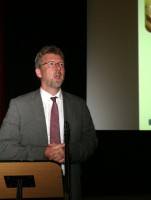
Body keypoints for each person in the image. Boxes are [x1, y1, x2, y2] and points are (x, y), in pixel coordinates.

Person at [0, 45, 98, 200]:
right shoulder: (19, 105)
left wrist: (69, 152)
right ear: (38, 72)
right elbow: (4, 148)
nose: (58, 68)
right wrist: (44, 152)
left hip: (71, 189)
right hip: (35, 189)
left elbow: (91, 142)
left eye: (61, 64)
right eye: (51, 64)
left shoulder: (79, 105)